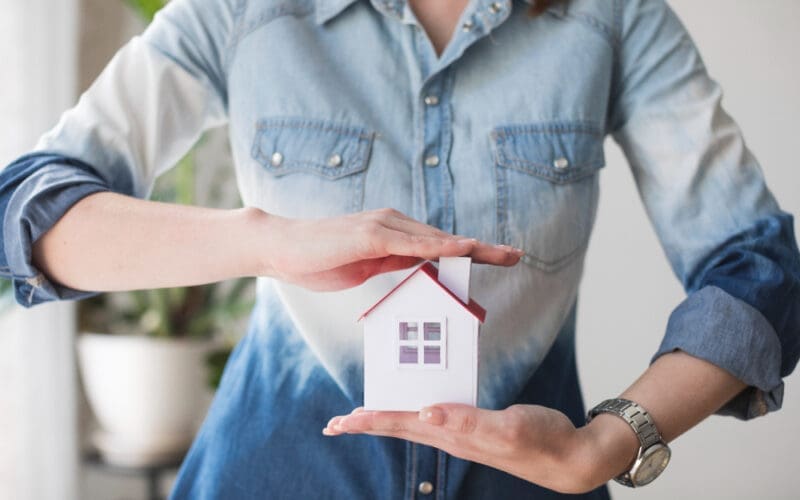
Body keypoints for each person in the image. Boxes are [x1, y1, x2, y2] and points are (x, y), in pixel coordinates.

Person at [1, 0, 798, 498]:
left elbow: (762, 272)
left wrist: (605, 445)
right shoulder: (243, 11)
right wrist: (268, 243)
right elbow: (28, 211)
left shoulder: (614, 18)